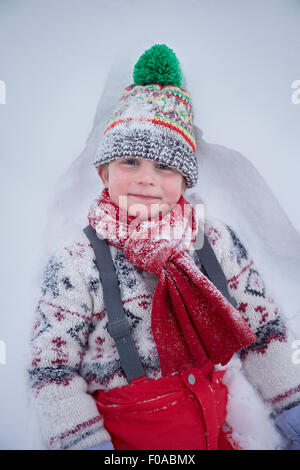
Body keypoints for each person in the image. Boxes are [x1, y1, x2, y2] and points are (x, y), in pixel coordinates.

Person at [27, 44, 300, 451]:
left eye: (164, 167)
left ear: (186, 180)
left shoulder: (214, 242)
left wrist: (292, 408)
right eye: (130, 163)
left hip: (214, 431)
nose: (146, 179)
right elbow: (51, 369)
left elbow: (264, 332)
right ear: (104, 173)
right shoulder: (77, 262)